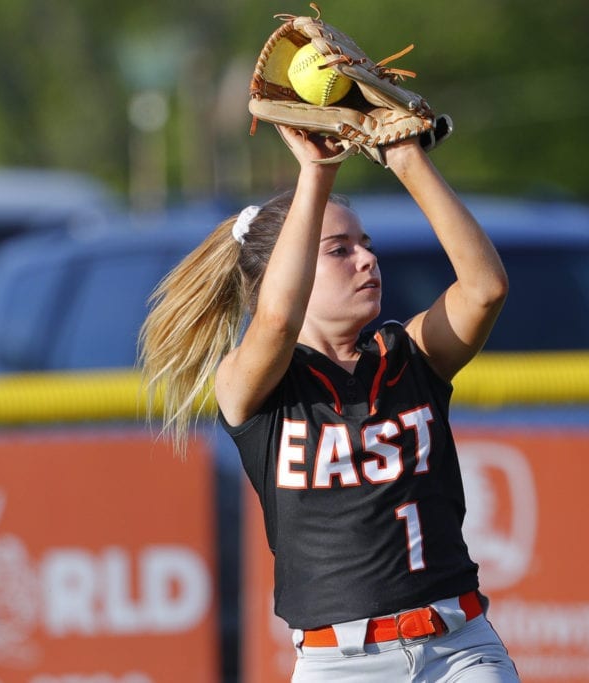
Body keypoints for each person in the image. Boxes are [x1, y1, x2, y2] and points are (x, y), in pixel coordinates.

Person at [139, 124, 519, 682]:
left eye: (367, 245)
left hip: (460, 650)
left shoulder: (409, 355)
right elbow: (275, 320)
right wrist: (315, 174)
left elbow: (484, 288)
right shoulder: (255, 385)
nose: (366, 260)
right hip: (340, 666)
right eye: (339, 250)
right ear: (282, 277)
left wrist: (407, 159)